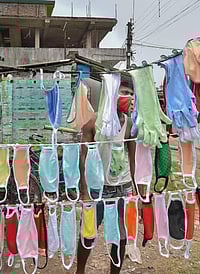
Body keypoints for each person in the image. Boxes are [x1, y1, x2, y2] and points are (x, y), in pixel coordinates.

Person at [76, 82, 135, 274]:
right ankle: (80, 271)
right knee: (88, 233)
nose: (129, 97)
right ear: (112, 95)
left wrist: (138, 193)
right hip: (97, 189)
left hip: (123, 188)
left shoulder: (129, 123)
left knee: (121, 237)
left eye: (131, 94)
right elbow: (83, 158)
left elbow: (133, 159)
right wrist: (84, 192)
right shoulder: (93, 122)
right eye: (124, 93)